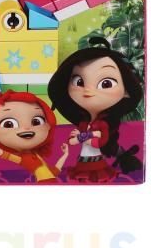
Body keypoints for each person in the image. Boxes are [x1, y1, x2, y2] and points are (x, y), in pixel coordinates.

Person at [47, 37, 143, 182]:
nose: (88, 91)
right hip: (84, 158)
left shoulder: (103, 124)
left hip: (95, 158)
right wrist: (81, 137)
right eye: (79, 81)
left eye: (106, 83)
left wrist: (83, 137)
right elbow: (74, 141)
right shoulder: (84, 122)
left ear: (126, 91)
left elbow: (99, 141)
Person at [0, 90, 69, 183]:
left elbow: (55, 171)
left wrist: (65, 154)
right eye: (9, 124)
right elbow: (2, 153)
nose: (26, 128)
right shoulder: (23, 158)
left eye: (36, 121)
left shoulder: (36, 156)